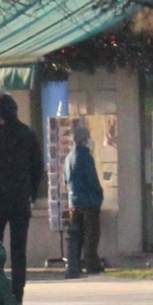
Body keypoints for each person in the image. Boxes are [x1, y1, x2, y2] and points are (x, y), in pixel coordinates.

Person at [0, 91, 41, 305]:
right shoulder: (26, 133)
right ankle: (18, 295)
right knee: (19, 249)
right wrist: (32, 192)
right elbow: (38, 166)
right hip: (20, 196)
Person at [65, 119, 104, 278]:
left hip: (74, 201)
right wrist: (99, 194)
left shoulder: (68, 158)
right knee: (91, 234)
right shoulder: (85, 156)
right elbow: (91, 179)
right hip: (89, 202)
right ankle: (91, 264)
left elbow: (65, 180)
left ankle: (74, 265)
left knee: (76, 235)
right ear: (84, 140)